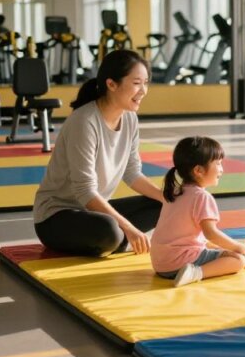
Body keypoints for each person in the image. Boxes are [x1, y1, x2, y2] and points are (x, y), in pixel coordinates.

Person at [33, 50, 163, 257]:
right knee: (110, 231)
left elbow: (132, 173)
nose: (143, 90)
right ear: (111, 84)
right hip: (56, 219)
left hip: (92, 213)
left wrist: (170, 200)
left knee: (161, 205)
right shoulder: (84, 122)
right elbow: (85, 191)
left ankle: (118, 241)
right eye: (137, 83)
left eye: (146, 83)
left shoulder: (130, 119)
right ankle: (119, 241)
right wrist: (129, 228)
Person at [150, 137, 245, 287]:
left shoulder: (175, 191)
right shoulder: (201, 196)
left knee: (217, 249)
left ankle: (191, 270)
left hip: (160, 264)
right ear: (198, 170)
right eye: (218, 163)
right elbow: (211, 233)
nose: (222, 169)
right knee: (238, 260)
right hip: (179, 263)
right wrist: (236, 246)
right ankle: (195, 273)